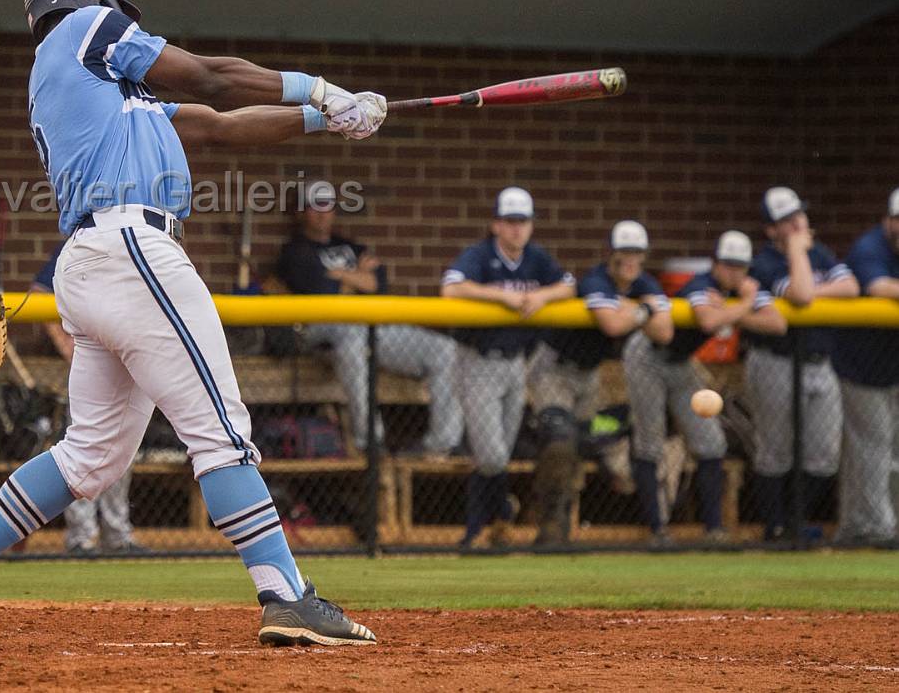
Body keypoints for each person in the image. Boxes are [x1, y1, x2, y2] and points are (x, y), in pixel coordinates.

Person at [0, 0, 379, 649]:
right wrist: (318, 85)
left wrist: (324, 119)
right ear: (91, 2)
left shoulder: (114, 100)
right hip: (130, 249)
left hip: (97, 264)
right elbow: (210, 75)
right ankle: (286, 595)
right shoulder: (82, 31)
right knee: (221, 429)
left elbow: (218, 124)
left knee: (92, 457)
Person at [274, 180, 461, 457]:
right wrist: (358, 279)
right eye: (314, 206)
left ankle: (442, 444)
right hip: (324, 331)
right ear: (302, 211)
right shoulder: (295, 251)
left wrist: (342, 279)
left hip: (370, 325)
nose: (322, 212)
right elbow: (323, 292)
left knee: (445, 350)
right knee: (353, 344)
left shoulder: (350, 245)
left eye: (327, 205)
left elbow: (380, 284)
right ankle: (370, 442)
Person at [623, 230, 783, 544]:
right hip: (646, 356)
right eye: (727, 265)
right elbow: (708, 321)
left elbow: (777, 323)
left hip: (681, 363)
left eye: (739, 266)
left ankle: (713, 529)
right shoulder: (702, 284)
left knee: (711, 443)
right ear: (715, 264)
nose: (733, 272)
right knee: (650, 443)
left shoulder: (741, 292)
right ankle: (656, 531)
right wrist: (744, 307)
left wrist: (735, 310)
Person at [441, 187, 576, 549]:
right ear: (496, 224)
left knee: (500, 452)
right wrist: (502, 295)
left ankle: (486, 527)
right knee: (492, 454)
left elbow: (568, 285)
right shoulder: (481, 255)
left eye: (523, 222)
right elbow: (451, 288)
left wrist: (541, 296)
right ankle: (490, 517)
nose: (517, 229)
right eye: (510, 221)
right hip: (478, 361)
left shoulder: (536, 258)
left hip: (516, 363)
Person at [528, 221, 674, 545]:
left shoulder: (644, 283)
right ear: (612, 254)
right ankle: (551, 526)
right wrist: (644, 311)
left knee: (580, 443)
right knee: (558, 439)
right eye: (624, 253)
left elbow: (665, 332)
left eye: (637, 253)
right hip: (554, 367)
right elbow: (611, 324)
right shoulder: (597, 279)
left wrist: (636, 309)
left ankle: (565, 524)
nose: (630, 261)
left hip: (590, 374)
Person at [745, 186, 858, 541]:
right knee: (775, 451)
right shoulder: (764, 263)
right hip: (774, 362)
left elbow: (851, 287)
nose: (797, 224)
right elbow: (802, 294)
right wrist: (797, 254)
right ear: (771, 230)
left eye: (799, 215)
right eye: (786, 221)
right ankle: (776, 527)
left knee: (824, 453)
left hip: (819, 363)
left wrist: (806, 285)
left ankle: (797, 521)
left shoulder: (819, 253)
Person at [33, 241, 145, 556]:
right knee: (83, 448)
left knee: (123, 451)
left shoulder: (138, 246)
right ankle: (81, 537)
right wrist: (64, 342)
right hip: (88, 361)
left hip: (124, 360)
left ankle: (117, 535)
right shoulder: (79, 244)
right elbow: (39, 293)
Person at [833, 187, 899, 545]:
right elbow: (878, 286)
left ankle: (873, 525)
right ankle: (877, 528)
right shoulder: (869, 247)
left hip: (892, 369)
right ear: (888, 221)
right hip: (860, 370)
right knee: (872, 448)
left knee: (892, 452)